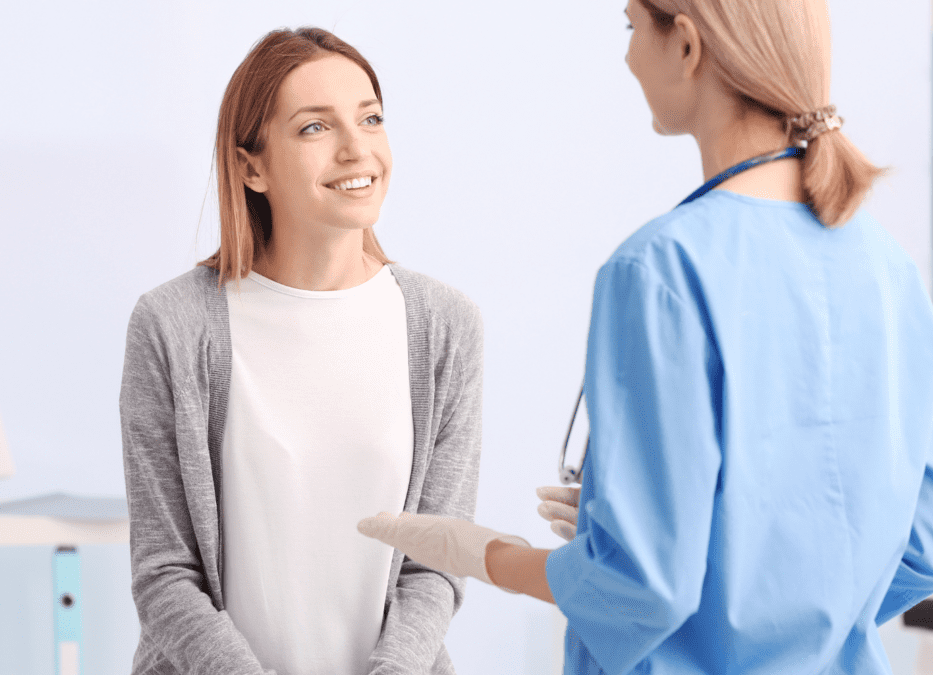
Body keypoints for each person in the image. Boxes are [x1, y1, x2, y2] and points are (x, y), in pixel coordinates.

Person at [358, 0, 933, 673]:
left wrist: (486, 553)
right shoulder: (887, 266)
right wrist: (755, 577)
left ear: (686, 45)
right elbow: (918, 546)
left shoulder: (660, 270)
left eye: (632, 26)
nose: (628, 55)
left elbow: (638, 590)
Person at [121, 27, 488, 675]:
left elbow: (436, 563)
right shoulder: (173, 325)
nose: (357, 148)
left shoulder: (443, 325)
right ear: (251, 167)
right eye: (315, 127)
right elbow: (165, 574)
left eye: (370, 118)